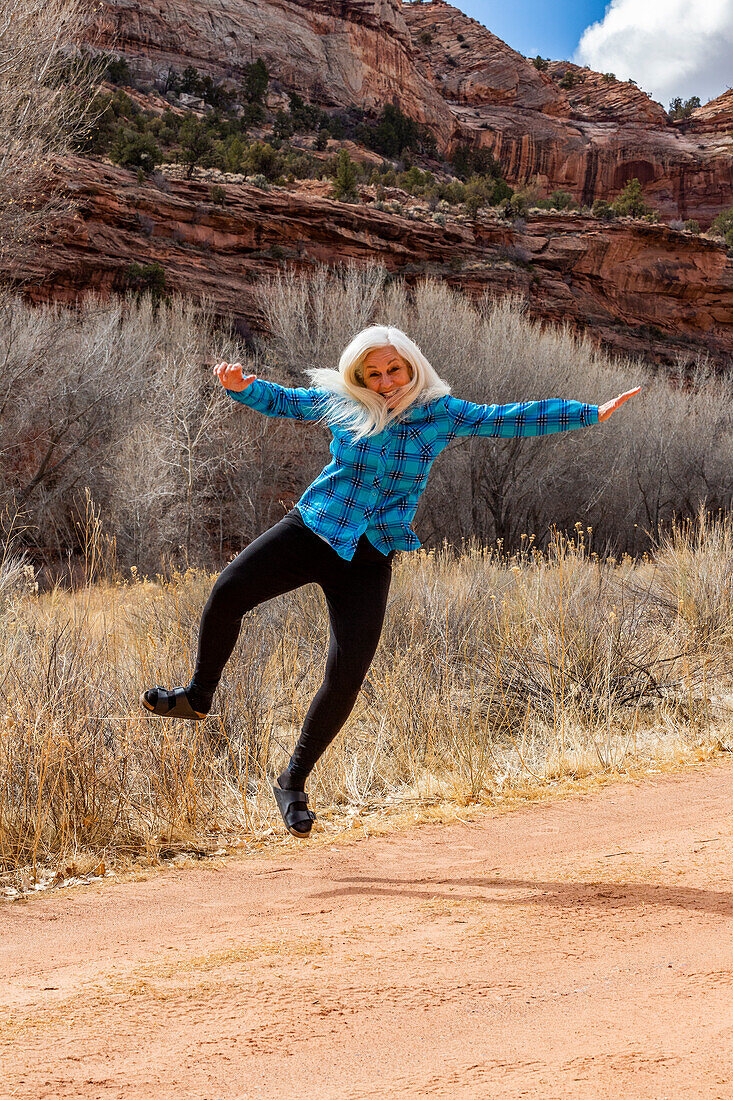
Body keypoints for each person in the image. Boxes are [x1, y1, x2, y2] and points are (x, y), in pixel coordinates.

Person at [141, 324, 639, 837]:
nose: (384, 382)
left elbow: (509, 419)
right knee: (228, 592)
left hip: (371, 552)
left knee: (347, 673)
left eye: (393, 370)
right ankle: (198, 697)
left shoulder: (441, 415)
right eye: (372, 373)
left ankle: (292, 780)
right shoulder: (344, 404)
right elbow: (286, 401)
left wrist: (589, 412)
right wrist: (242, 388)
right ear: (358, 375)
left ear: (413, 366)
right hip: (314, 528)